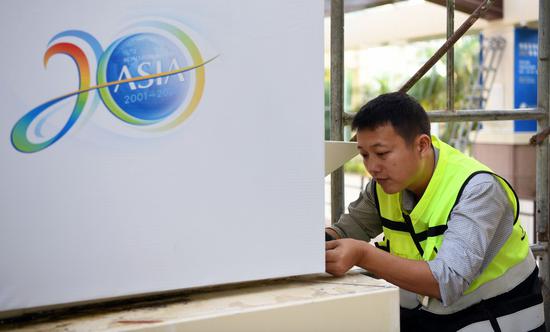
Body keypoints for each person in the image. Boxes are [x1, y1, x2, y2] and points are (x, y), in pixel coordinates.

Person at [324, 92, 545, 331]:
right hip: (429, 313)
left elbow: (447, 281)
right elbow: (345, 231)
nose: (372, 167)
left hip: (494, 314)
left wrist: (363, 255)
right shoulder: (382, 187)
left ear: (421, 145)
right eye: (365, 155)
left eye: (382, 153)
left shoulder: (478, 189)